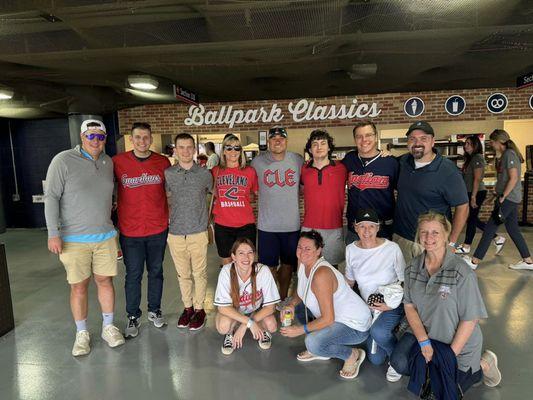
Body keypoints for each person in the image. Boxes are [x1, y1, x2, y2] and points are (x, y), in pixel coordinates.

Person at [390, 212, 502, 395]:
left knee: (441, 390)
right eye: (424, 232)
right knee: (400, 362)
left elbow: (470, 319)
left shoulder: (462, 272)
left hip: (456, 341)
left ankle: (482, 365)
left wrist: (448, 357)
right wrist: (423, 341)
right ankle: (432, 369)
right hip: (426, 332)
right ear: (419, 235)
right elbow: (409, 306)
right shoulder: (412, 268)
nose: (429, 237)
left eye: (435, 232)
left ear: (446, 236)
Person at [44, 119, 125, 356]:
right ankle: (82, 333)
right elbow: (51, 197)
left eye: (101, 136)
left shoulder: (108, 162)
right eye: (91, 136)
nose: (96, 141)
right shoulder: (63, 160)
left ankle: (108, 327)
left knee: (105, 281)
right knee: (79, 286)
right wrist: (53, 233)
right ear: (82, 137)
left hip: (105, 236)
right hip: (74, 238)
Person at [280, 231, 372, 380]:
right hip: (335, 318)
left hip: (355, 325)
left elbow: (328, 319)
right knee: (298, 307)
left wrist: (299, 330)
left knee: (313, 342)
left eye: (308, 248)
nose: (302, 252)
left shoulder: (321, 274)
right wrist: (290, 304)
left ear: (318, 251)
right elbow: (301, 290)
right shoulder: (303, 262)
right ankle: (323, 349)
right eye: (300, 247)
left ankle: (352, 355)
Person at [112, 122, 171, 338]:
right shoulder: (117, 162)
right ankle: (133, 316)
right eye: (137, 137)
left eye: (146, 137)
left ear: (151, 139)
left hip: (157, 227)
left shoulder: (162, 162)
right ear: (131, 139)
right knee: (133, 274)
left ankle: (154, 310)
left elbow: (172, 190)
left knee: (156, 271)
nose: (142, 141)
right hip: (130, 230)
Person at [393, 121, 469, 264]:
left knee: (431, 283)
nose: (417, 143)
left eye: (423, 139)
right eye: (412, 139)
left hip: (431, 241)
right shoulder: (402, 162)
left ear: (433, 142)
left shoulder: (447, 170)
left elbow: (463, 207)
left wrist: (451, 243)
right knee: (405, 281)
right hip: (401, 238)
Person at [345, 208, 405, 382]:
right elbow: (350, 282)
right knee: (376, 360)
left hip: (391, 304)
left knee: (378, 331)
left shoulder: (392, 248)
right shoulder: (351, 249)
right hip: (368, 307)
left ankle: (398, 361)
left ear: (378, 228)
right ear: (355, 228)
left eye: (371, 226)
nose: (366, 231)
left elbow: (404, 281)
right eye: (362, 226)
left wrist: (390, 305)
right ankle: (391, 334)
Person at [463, 130, 532, 270]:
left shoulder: (509, 154)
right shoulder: (506, 155)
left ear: (499, 142)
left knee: (490, 228)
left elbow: (513, 178)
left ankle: (475, 261)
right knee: (512, 229)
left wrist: (503, 196)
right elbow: (505, 178)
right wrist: (496, 194)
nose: (490, 144)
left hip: (509, 198)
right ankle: (528, 260)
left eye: (492, 141)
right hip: (509, 198)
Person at [165, 133, 213, 330]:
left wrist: (210, 222)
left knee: (199, 274)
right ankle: (188, 308)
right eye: (181, 147)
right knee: (182, 275)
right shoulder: (168, 174)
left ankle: (200, 309)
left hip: (198, 231)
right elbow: (165, 198)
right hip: (175, 233)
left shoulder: (204, 174)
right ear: (175, 150)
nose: (185, 151)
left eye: (189, 147)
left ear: (195, 150)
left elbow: (214, 195)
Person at [251, 126, 304, 301]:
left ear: (286, 141)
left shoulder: (297, 160)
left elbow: (305, 186)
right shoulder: (257, 162)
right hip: (267, 226)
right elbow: (251, 187)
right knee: (268, 268)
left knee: (288, 265)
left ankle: (281, 299)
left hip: (291, 225)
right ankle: (268, 300)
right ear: (269, 142)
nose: (278, 141)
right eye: (273, 138)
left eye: (281, 138)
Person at [214, 238, 280, 355]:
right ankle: (230, 333)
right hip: (235, 311)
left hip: (255, 311)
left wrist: (245, 325)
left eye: (250, 252)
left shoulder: (263, 271)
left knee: (272, 326)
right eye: (241, 253)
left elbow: (271, 307)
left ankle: (261, 329)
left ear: (254, 255)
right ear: (233, 256)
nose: (246, 257)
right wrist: (249, 323)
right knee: (223, 327)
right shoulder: (226, 271)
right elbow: (222, 308)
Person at [342, 120, 399, 243]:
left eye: (368, 135)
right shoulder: (349, 159)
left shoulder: (390, 162)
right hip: (355, 229)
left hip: (383, 229)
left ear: (376, 136)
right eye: (359, 136)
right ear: (355, 139)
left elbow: (403, 192)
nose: (364, 140)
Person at [300, 129, 347, 266]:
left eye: (323, 143)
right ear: (310, 149)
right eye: (315, 144)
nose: (319, 147)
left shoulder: (342, 168)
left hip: (334, 227)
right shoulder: (304, 169)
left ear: (329, 147)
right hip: (309, 227)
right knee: (308, 266)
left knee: (332, 268)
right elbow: (302, 189)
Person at [212, 134, 258, 266]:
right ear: (224, 151)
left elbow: (255, 194)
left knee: (246, 262)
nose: (233, 151)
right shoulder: (215, 171)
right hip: (223, 224)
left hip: (245, 224)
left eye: (237, 148)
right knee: (227, 263)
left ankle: (246, 287)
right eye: (229, 148)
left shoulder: (250, 171)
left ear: (241, 151)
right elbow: (212, 193)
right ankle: (232, 287)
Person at [456, 135, 505, 255]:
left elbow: (477, 179)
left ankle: (467, 246)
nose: (465, 146)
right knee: (471, 219)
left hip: (476, 192)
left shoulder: (477, 157)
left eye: (468, 143)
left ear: (475, 145)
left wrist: (473, 197)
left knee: (471, 219)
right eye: (465, 143)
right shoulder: (471, 159)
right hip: (471, 192)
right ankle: (497, 238)